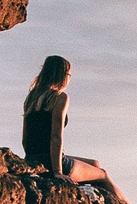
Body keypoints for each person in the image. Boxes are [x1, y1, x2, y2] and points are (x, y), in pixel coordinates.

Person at [21, 55, 108, 186]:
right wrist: (58, 171)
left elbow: (25, 139)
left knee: (95, 164)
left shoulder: (31, 99)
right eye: (69, 75)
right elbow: (56, 136)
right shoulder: (59, 98)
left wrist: (32, 161)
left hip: (32, 159)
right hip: (52, 162)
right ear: (62, 75)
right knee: (103, 174)